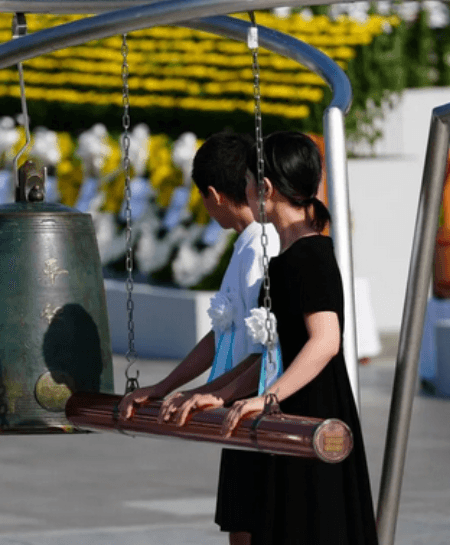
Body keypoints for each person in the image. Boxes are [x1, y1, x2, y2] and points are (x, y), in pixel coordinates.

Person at [167, 130, 378, 544]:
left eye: (247, 183)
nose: (243, 192)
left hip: (311, 410)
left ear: (265, 188)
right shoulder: (287, 257)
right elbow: (272, 351)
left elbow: (325, 340)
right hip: (286, 409)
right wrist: (220, 393)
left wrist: (268, 397)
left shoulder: (311, 255)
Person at [118, 132, 281, 543]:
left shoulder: (264, 246)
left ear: (213, 195)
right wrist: (165, 387)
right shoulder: (244, 245)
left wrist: (211, 393)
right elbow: (220, 333)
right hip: (234, 407)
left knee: (259, 528)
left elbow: (270, 350)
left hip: (258, 409)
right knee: (240, 527)